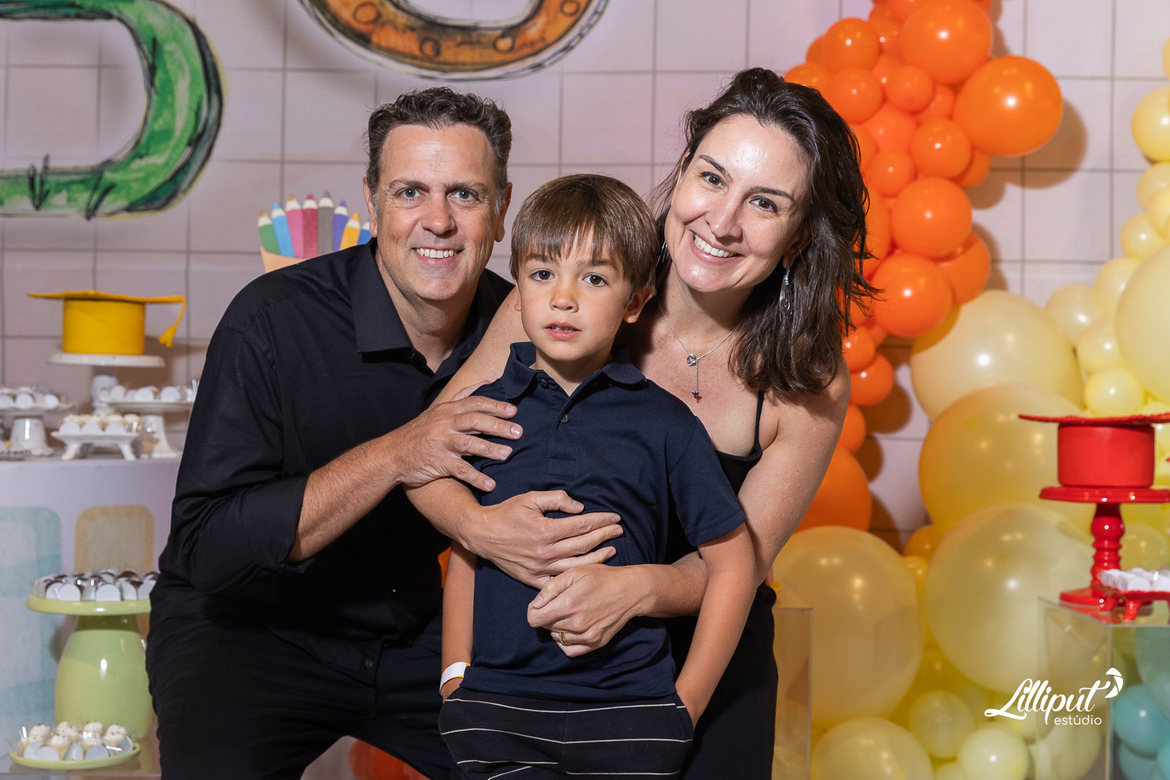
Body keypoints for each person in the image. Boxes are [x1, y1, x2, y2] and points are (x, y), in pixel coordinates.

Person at [408, 67, 873, 777]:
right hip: (538, 677)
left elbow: (741, 565)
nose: (722, 222)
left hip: (706, 668)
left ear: (799, 235)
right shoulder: (569, 297)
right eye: (712, 179)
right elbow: (426, 456)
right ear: (682, 172)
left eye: (764, 203)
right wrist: (482, 537)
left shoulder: (807, 377)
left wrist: (639, 592)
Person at [146, 88, 621, 780]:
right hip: (249, 633)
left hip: (414, 633)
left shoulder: (531, 325)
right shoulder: (271, 322)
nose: (439, 221)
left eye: (464, 195)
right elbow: (208, 549)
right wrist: (399, 454)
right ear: (372, 201)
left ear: (502, 209)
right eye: (410, 193)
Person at [438, 174, 758, 779]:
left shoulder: (665, 423)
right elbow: (466, 547)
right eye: (542, 274)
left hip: (630, 715)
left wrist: (684, 707)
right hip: (497, 711)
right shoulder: (481, 411)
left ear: (634, 303)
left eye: (594, 279)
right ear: (518, 292)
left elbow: (734, 563)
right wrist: (456, 679)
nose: (563, 298)